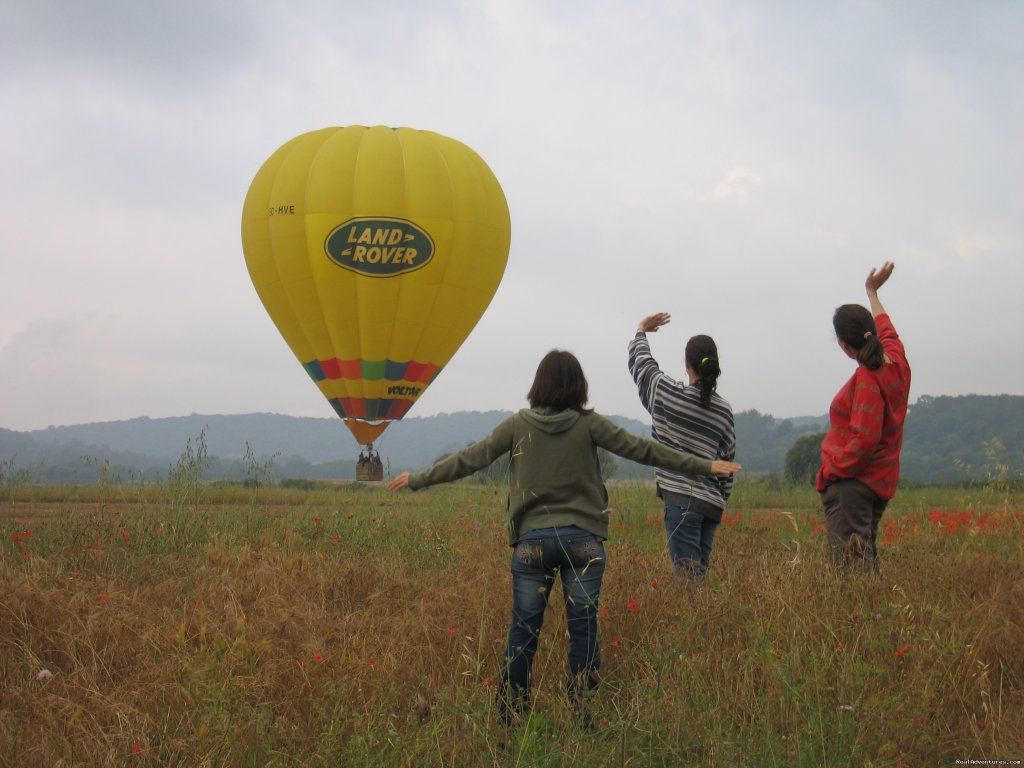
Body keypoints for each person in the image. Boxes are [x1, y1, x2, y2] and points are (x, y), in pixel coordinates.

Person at [387, 349, 741, 727]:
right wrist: (704, 465)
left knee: (523, 629)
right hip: (584, 542)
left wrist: (418, 479)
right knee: (583, 627)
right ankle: (582, 712)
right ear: (578, 385)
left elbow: (470, 458)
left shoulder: (517, 425)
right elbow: (645, 450)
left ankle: (511, 713)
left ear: (538, 384)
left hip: (532, 543)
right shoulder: (590, 425)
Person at [816, 261, 911, 571]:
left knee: (851, 575)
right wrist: (871, 291)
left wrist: (831, 472)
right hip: (879, 481)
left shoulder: (868, 380)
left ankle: (863, 619)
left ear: (844, 345)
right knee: (863, 566)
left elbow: (864, 439)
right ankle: (875, 617)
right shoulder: (896, 361)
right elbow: (886, 325)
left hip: (853, 485)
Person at [628, 314, 737, 581]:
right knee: (698, 575)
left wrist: (641, 331)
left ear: (687, 364)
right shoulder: (724, 410)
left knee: (688, 583)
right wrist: (720, 499)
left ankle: (698, 622)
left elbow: (643, 369)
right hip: (711, 504)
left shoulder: (668, 394)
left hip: (682, 502)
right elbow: (728, 462)